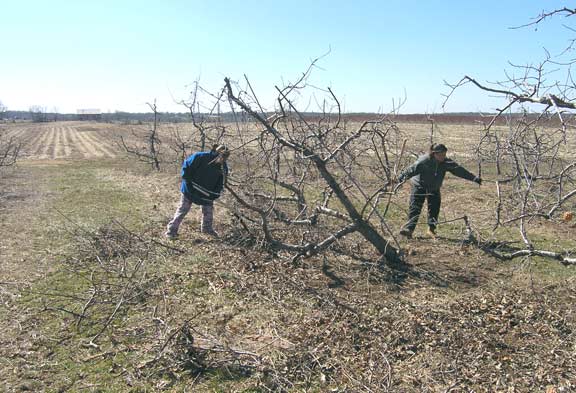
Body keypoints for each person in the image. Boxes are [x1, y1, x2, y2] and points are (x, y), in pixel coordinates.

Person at [395, 143, 481, 239]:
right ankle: (409, 230)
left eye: (444, 154)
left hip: (434, 188)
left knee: (434, 209)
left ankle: (431, 230)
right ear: (434, 153)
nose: (443, 157)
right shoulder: (424, 162)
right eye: (440, 155)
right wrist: (399, 179)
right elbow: (410, 171)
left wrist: (474, 178)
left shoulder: (446, 163)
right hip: (419, 186)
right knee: (415, 208)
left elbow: (459, 170)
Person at [165, 144, 230, 239]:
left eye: (225, 157)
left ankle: (207, 230)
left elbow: (220, 183)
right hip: (189, 190)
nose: (223, 159)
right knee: (183, 210)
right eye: (222, 156)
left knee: (208, 211)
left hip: (206, 194)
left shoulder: (223, 167)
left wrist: (215, 194)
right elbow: (186, 168)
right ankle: (171, 231)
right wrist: (188, 184)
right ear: (217, 152)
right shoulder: (200, 157)